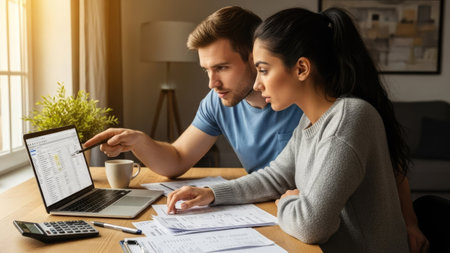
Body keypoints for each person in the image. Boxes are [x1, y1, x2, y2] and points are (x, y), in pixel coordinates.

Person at [85, 6, 427, 252]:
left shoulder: (349, 117)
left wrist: (288, 204)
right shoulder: (312, 121)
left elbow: (310, 223)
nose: (259, 83)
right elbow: (276, 177)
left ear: (301, 69)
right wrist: (213, 194)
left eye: (263, 69)